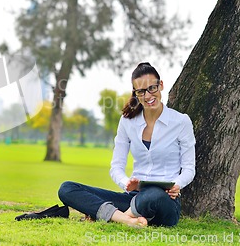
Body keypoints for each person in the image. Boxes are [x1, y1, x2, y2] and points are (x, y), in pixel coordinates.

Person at [58, 62, 196, 227]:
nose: (148, 96)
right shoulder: (127, 121)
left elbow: (189, 168)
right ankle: (127, 220)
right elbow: (116, 166)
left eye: (152, 88)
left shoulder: (181, 121)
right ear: (135, 93)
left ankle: (114, 217)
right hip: (133, 198)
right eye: (141, 91)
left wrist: (177, 185)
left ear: (161, 85)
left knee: (153, 195)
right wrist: (126, 183)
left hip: (165, 201)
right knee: (67, 189)